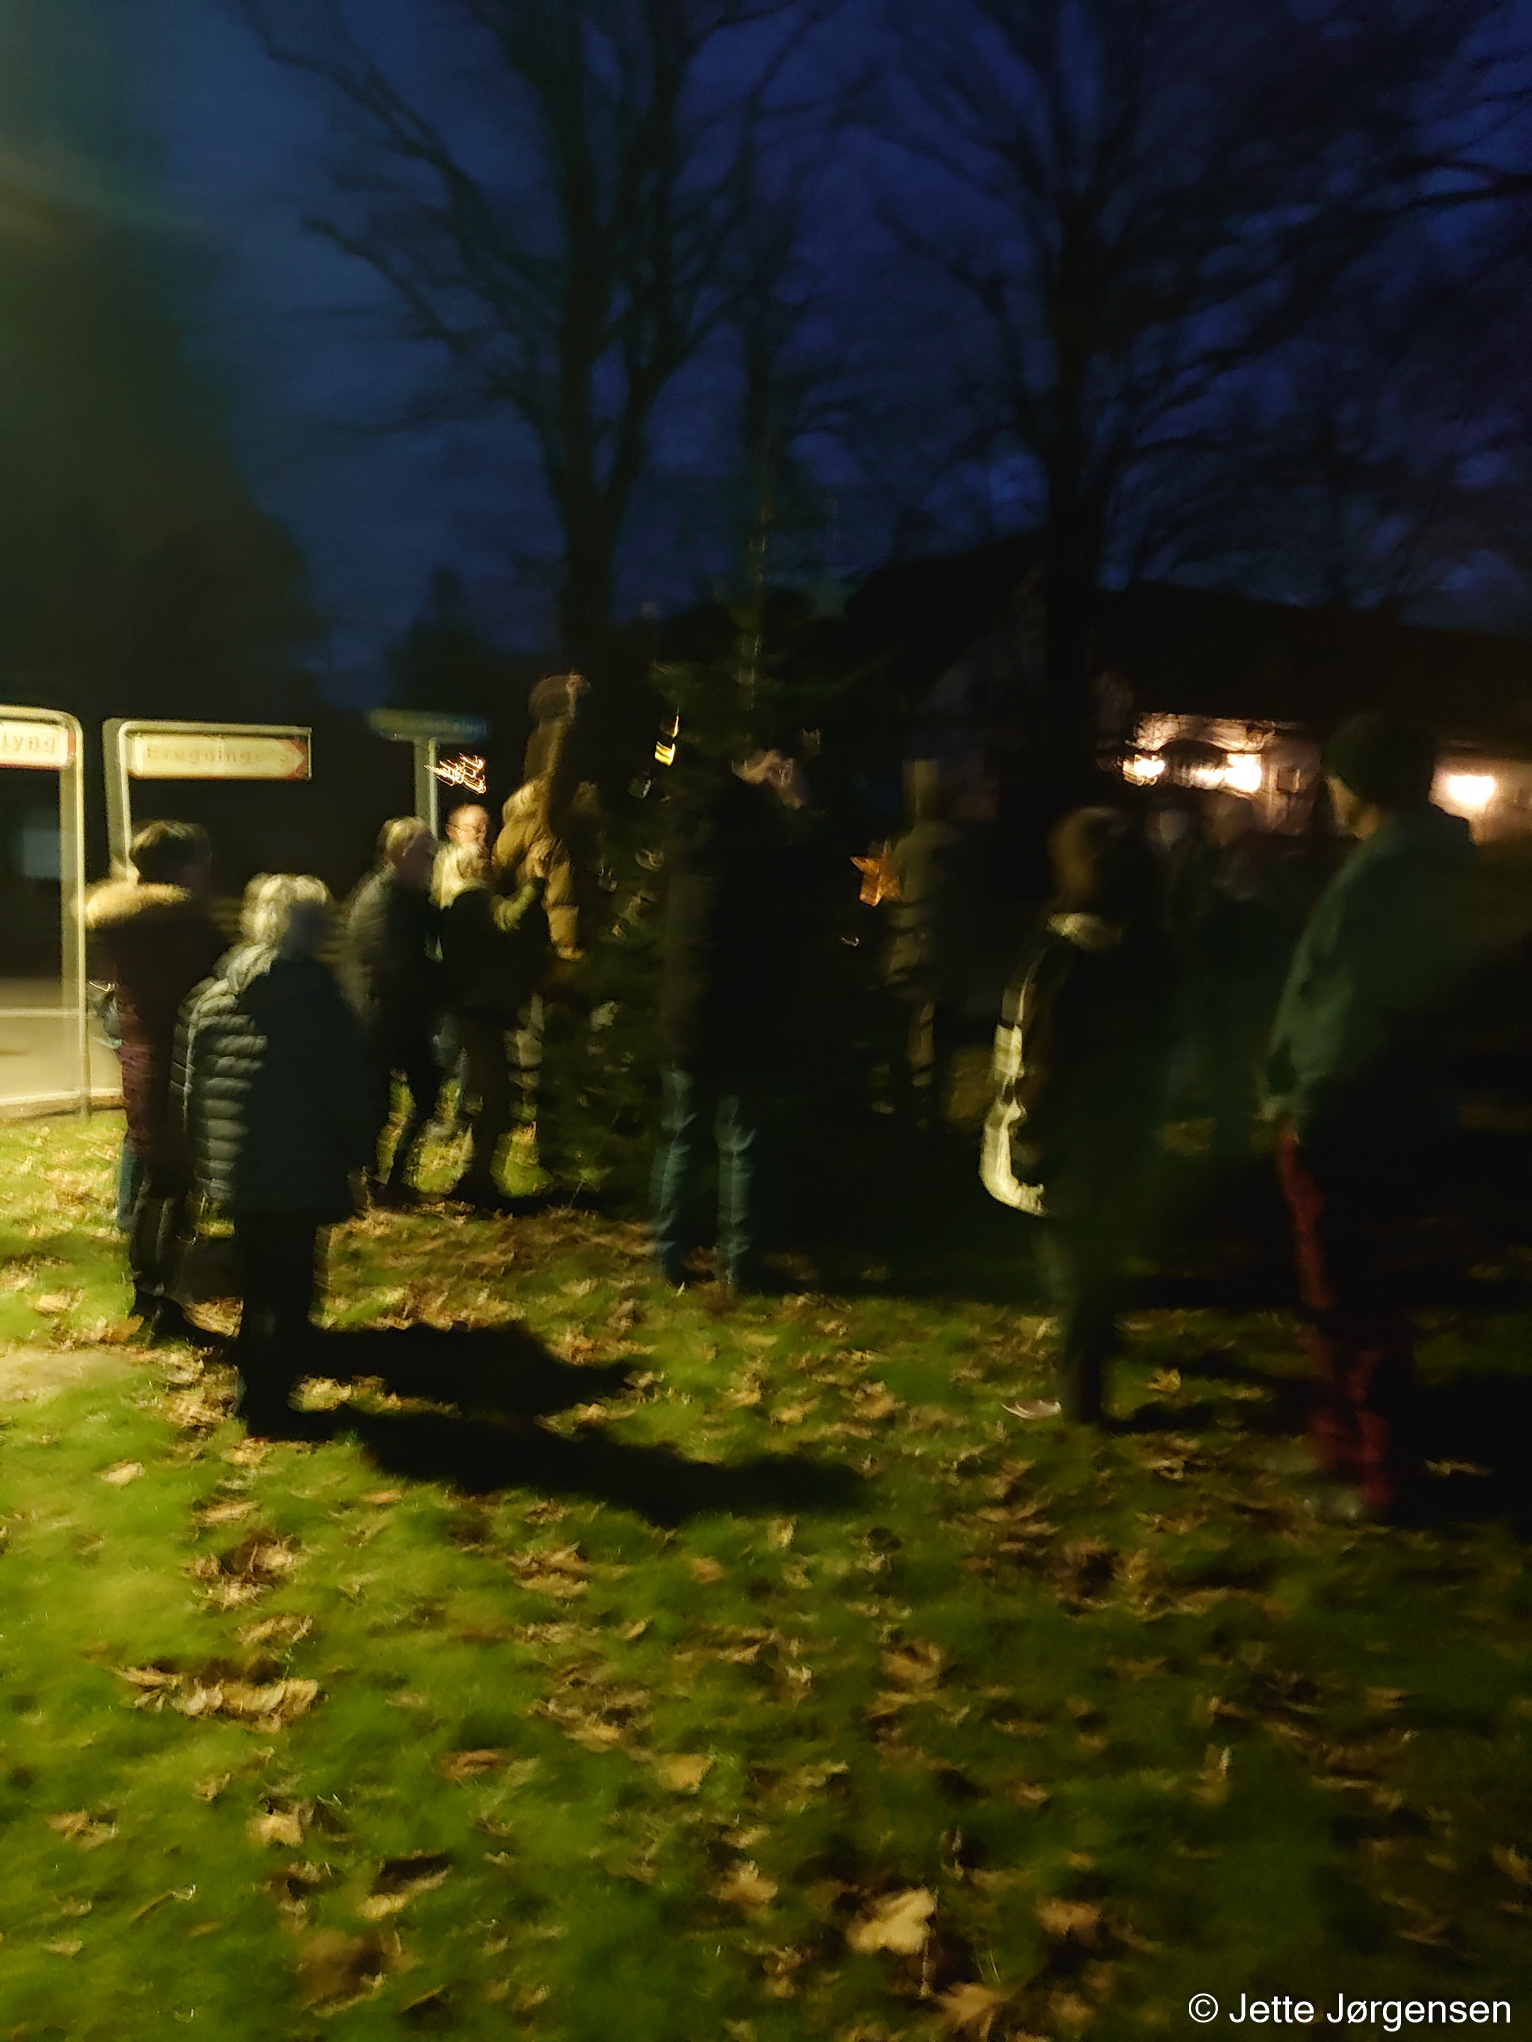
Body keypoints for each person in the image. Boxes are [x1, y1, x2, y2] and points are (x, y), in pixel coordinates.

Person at [1265, 713, 1477, 1520]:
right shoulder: (1415, 865)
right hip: (1382, 1104)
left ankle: (1382, 1473)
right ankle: (1342, 1445)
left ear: (1360, 784)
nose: (1329, 791)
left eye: (1334, 777)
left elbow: (1352, 1006)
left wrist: (1309, 1104)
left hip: (1352, 1112)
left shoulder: (1389, 875)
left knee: (1356, 1295)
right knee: (1342, 1289)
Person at [981, 808, 1173, 1424]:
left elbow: (1049, 1056)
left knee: (1071, 1265)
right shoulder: (1149, 943)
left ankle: (1079, 1394)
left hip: (1071, 1138)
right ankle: (1090, 1348)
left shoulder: (1072, 954)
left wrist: (1029, 1132)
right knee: (1091, 1254)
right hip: (1122, 1128)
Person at [175, 875, 373, 1438]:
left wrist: (203, 1160)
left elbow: (191, 1089)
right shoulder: (321, 1002)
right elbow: (348, 1094)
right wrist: (360, 1156)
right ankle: (270, 1406)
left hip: (237, 1167)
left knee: (259, 1280)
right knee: (289, 1287)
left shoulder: (213, 995)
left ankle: (252, 1393)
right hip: (300, 1165)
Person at [650, 743, 808, 1294]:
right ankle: (738, 1265)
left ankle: (667, 1255)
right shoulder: (754, 852)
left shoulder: (688, 845)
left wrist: (744, 778)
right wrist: (794, 806)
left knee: (680, 1138)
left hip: (686, 1017)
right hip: (742, 1017)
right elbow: (805, 880)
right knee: (741, 1143)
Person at [85, 820, 225, 1342]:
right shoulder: (182, 926)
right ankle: (163, 1301)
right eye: (201, 861)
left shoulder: (126, 922)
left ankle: (147, 1295)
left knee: (152, 1183)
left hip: (141, 1064)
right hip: (178, 1066)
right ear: (183, 868)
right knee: (172, 1188)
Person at [435, 836, 551, 1208]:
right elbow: (510, 920)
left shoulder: (458, 904)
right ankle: (475, 1178)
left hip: (476, 1009)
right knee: (497, 1098)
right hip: (480, 1011)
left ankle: (474, 1175)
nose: (490, 861)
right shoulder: (473, 900)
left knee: (491, 1096)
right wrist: (535, 883)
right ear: (469, 868)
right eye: (482, 858)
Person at [342, 816, 442, 1205]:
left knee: (425, 1094)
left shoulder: (403, 894)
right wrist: (444, 988)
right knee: (378, 1107)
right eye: (426, 854)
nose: (432, 861)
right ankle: (370, 1182)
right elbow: (395, 964)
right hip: (378, 1016)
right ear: (401, 853)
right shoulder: (382, 899)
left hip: (398, 1015)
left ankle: (393, 1178)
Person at [881, 771, 978, 1133]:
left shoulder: (900, 845)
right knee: (942, 1032)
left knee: (901, 1026)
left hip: (907, 947)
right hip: (950, 950)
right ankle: (933, 1105)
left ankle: (900, 1101)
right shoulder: (964, 846)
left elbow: (880, 896)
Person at [436, 804, 493, 1131]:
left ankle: (459, 1110)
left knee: (465, 1046)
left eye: (486, 828)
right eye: (476, 829)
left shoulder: (483, 877)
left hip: (466, 981)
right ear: (454, 831)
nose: (483, 836)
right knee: (452, 1044)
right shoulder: (452, 876)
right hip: (459, 979)